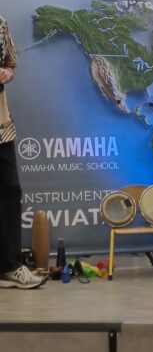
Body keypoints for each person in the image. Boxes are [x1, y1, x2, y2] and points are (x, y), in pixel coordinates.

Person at [0, 15, 45, 289]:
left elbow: (10, 61)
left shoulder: (0, 22)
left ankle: (9, 266)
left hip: (1, 125)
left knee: (9, 190)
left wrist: (7, 71)